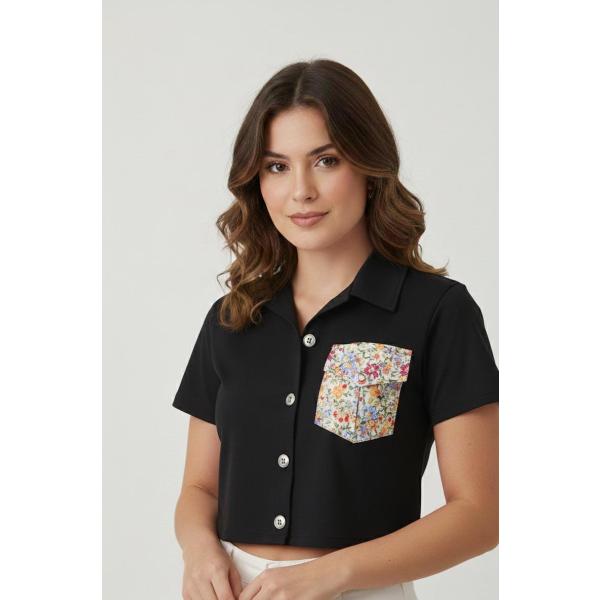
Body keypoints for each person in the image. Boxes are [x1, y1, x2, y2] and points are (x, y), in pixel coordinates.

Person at [171, 59, 499, 600]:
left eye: (326, 160)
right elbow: (199, 488)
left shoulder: (438, 312)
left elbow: (480, 515)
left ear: (370, 168)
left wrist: (329, 575)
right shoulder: (231, 318)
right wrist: (199, 551)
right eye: (277, 166)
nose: (301, 190)